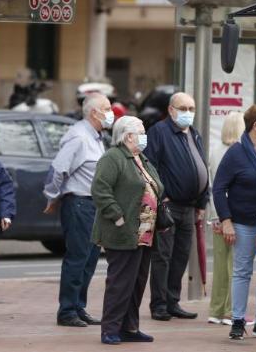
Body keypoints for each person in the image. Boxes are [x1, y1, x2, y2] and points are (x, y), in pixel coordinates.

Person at [43, 93, 114, 327]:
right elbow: (58, 170)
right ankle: (66, 311)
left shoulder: (96, 137)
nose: (111, 111)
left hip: (94, 205)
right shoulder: (79, 136)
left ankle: (78, 306)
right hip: (80, 204)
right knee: (77, 258)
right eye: (107, 107)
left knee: (90, 259)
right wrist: (53, 197)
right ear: (94, 112)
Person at [91, 116, 163, 345]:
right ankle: (110, 329)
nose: (145, 136)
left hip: (144, 231)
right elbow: (100, 189)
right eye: (141, 132)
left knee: (137, 282)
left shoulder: (140, 157)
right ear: (128, 135)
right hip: (122, 231)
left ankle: (129, 327)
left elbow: (155, 185)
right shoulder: (113, 157)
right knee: (121, 282)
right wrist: (118, 216)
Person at [143, 92, 209, 321]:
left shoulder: (193, 133)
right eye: (183, 108)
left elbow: (202, 167)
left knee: (181, 255)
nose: (188, 113)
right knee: (163, 256)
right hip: (169, 206)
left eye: (191, 108)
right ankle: (159, 305)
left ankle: (173, 301)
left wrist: (202, 201)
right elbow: (150, 166)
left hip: (190, 207)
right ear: (171, 110)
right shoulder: (159, 132)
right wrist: (162, 197)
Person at [213, 104, 256, 340]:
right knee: (242, 272)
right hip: (244, 221)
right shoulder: (236, 152)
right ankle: (238, 321)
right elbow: (219, 189)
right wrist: (226, 221)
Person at [207, 112, 245, 326]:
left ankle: (216, 309)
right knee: (236, 266)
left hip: (217, 213)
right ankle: (230, 311)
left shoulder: (215, 150)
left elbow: (214, 187)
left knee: (221, 265)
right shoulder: (238, 153)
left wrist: (215, 216)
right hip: (233, 215)